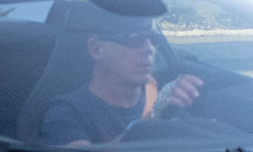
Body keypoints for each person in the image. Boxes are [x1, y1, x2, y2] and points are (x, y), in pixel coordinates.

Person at [37, 10, 204, 145]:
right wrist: (152, 119)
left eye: (154, 39)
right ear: (96, 48)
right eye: (135, 38)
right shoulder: (67, 112)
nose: (149, 49)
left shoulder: (165, 98)